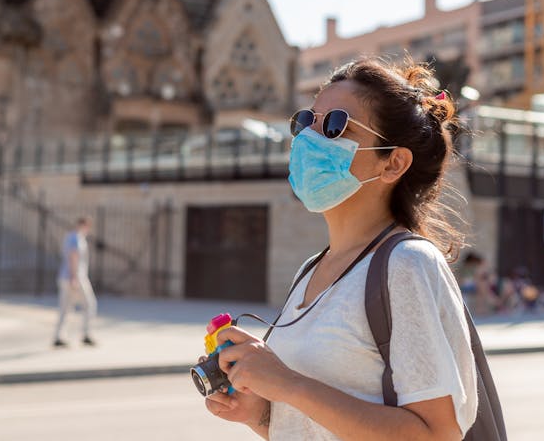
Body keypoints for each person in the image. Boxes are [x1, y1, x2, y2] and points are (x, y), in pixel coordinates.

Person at [202, 58, 478, 440]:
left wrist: (285, 383)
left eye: (334, 125)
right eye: (305, 122)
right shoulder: (311, 270)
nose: (308, 139)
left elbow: (437, 434)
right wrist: (262, 414)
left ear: (393, 162)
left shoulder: (406, 264)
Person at [53, 216, 97, 348]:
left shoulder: (70, 237)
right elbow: (73, 256)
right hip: (76, 277)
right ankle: (86, 334)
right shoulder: (76, 238)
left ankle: (59, 336)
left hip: (68, 277)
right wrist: (74, 277)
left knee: (65, 308)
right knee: (89, 304)